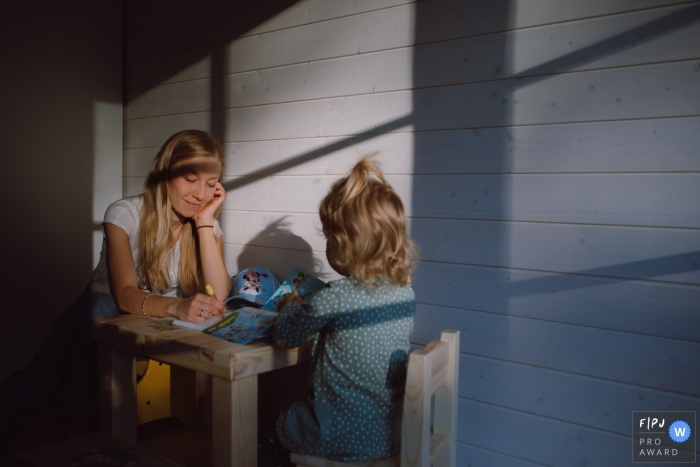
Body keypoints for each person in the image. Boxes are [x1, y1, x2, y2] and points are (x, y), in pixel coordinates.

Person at [0, 129, 232, 453]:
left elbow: (219, 293)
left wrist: (206, 221)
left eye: (211, 183)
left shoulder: (203, 224)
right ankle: (77, 430)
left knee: (58, 355)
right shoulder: (125, 212)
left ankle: (76, 430)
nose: (200, 193)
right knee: (76, 334)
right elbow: (123, 295)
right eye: (191, 179)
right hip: (102, 318)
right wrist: (178, 307)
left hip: (150, 326)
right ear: (165, 173)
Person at [259, 156, 419, 465]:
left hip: (338, 433)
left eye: (329, 237)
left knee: (265, 434)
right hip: (389, 432)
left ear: (346, 245)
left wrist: (291, 306)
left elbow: (287, 336)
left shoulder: (337, 295)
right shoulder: (405, 292)